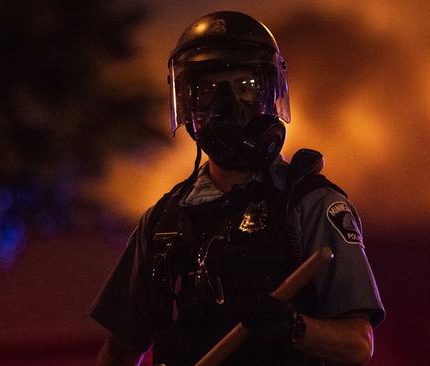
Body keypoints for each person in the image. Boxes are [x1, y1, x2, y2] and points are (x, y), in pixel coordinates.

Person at [90, 11, 384, 366]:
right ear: (187, 100)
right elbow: (118, 353)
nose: (228, 106)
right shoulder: (161, 224)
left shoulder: (310, 206)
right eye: (209, 90)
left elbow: (357, 344)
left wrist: (292, 326)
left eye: (245, 86)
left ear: (270, 93)